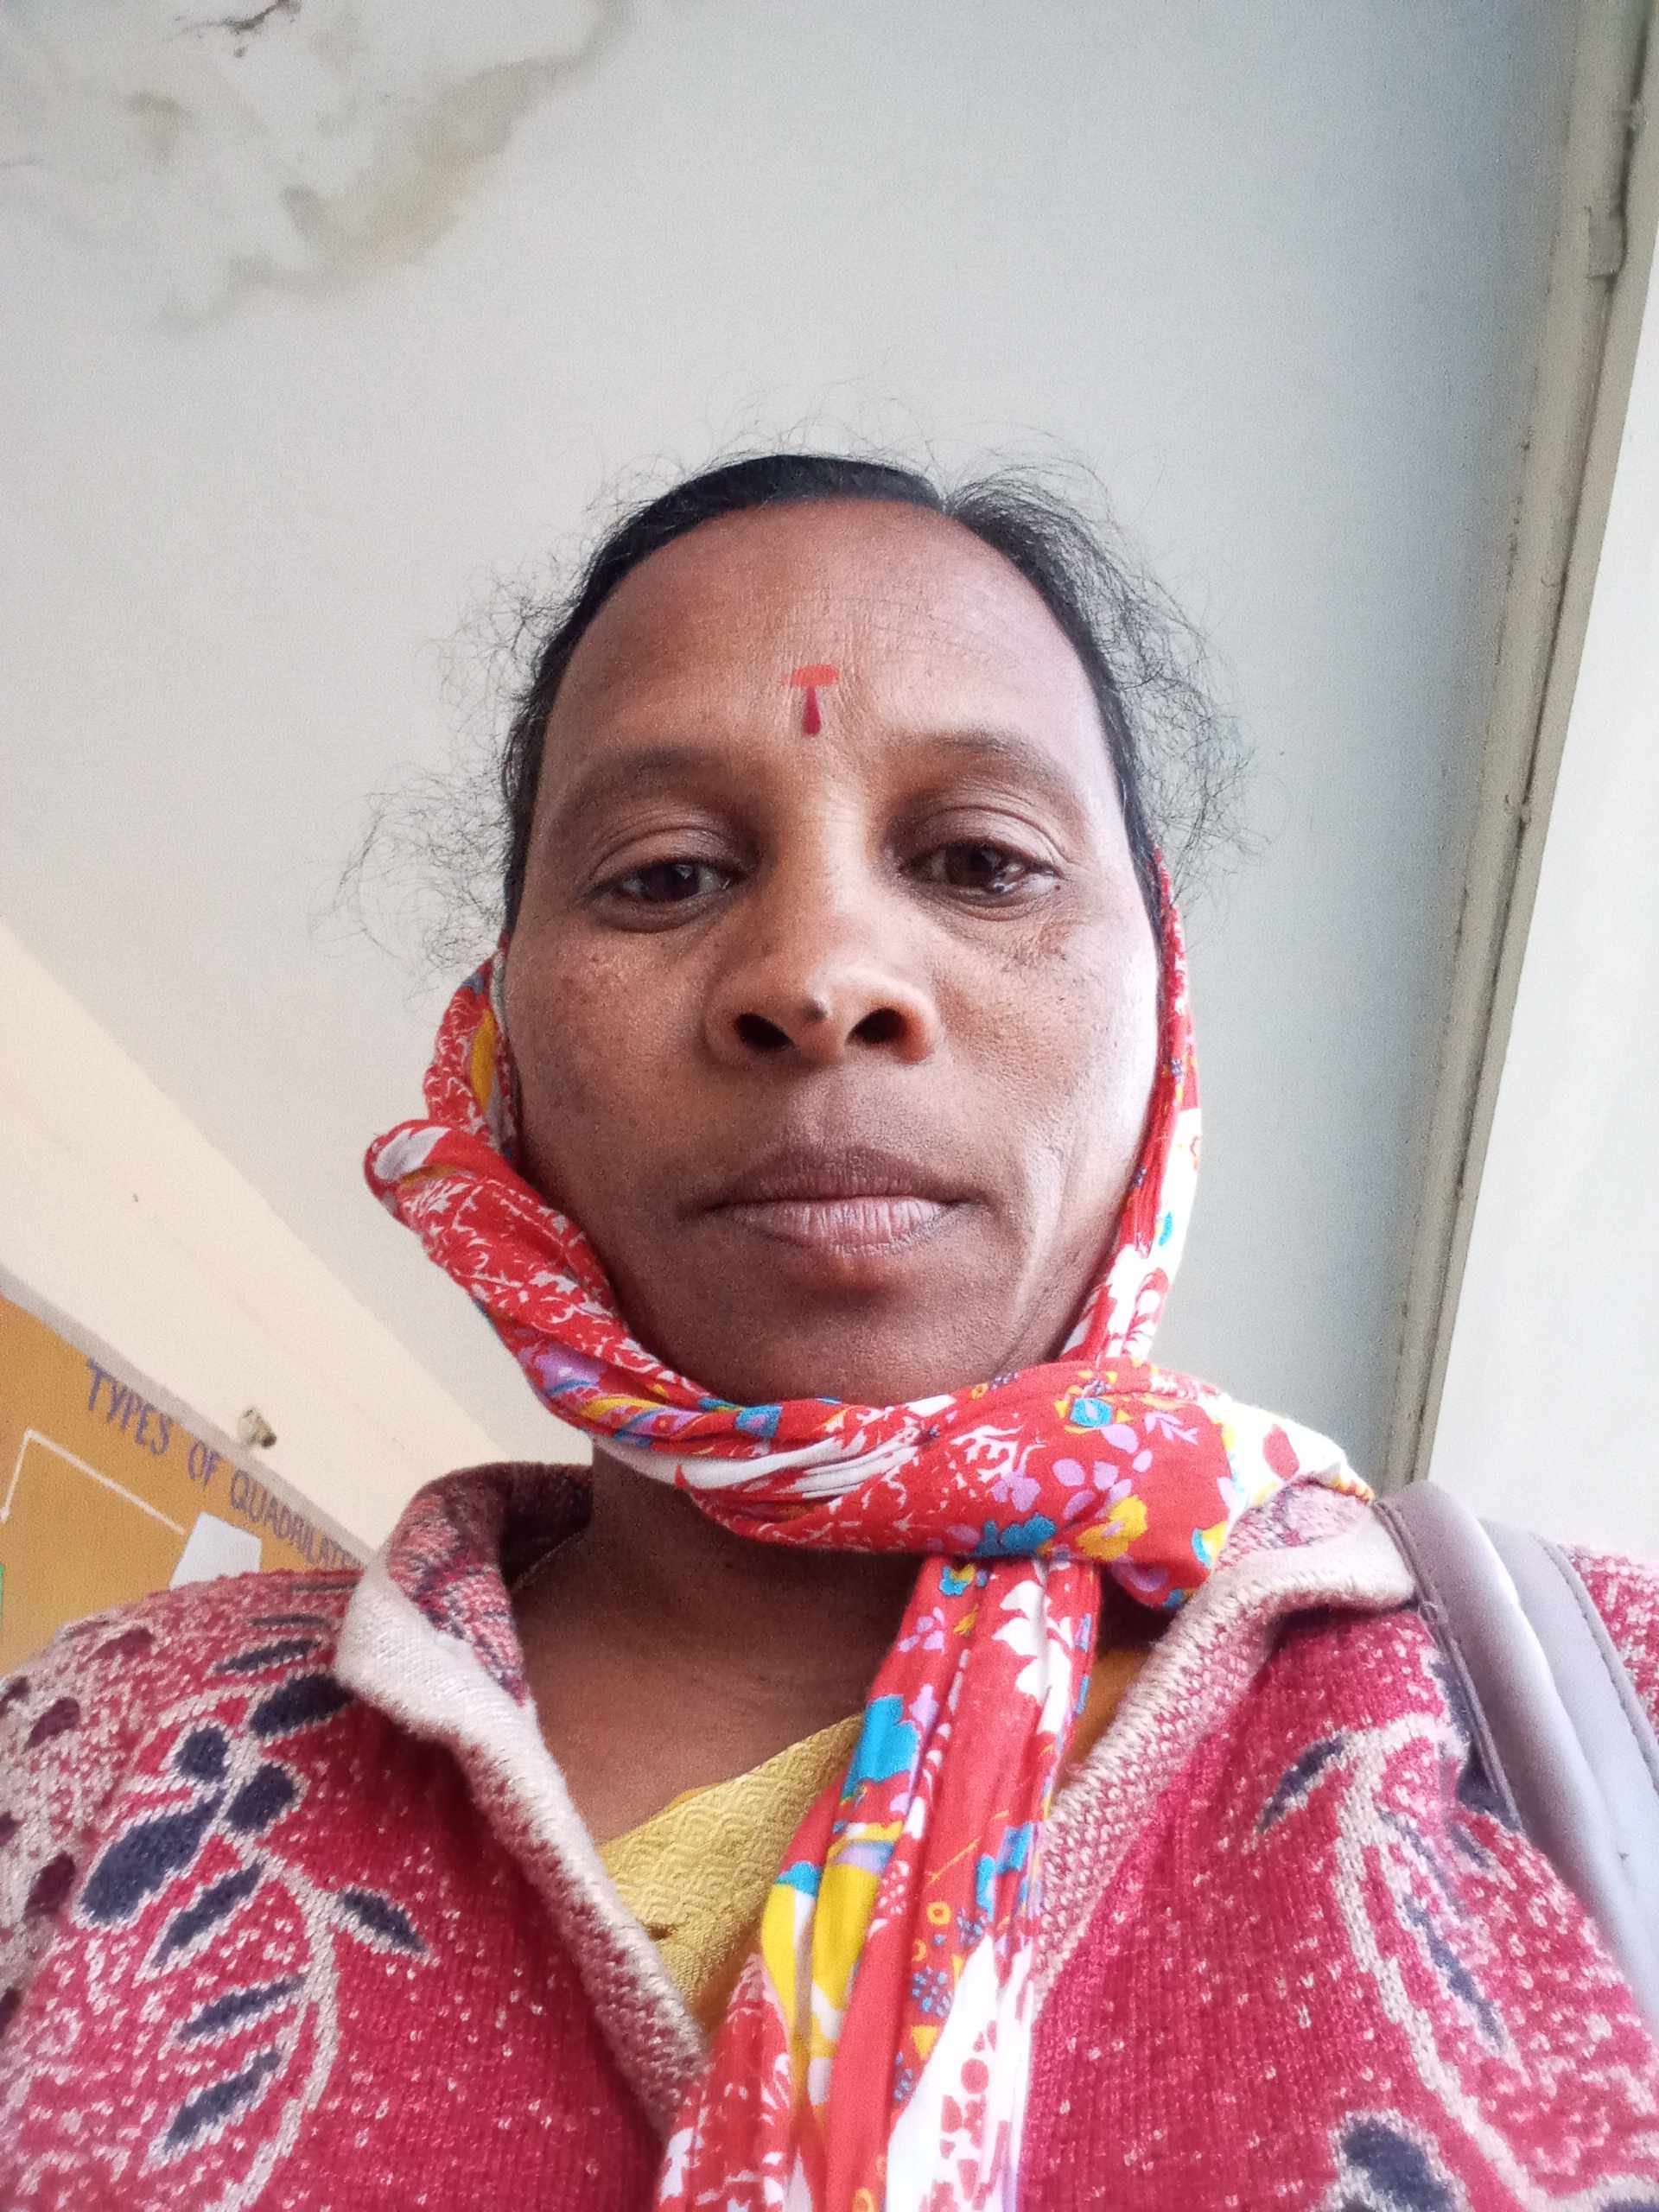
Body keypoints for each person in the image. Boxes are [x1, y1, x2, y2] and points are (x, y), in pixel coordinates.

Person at [2, 454, 1656, 2210]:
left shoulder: (1598, 1710)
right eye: (662, 875)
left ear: (1164, 1015)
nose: (819, 974)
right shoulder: (102, 1745)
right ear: (500, 1056)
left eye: (981, 860)